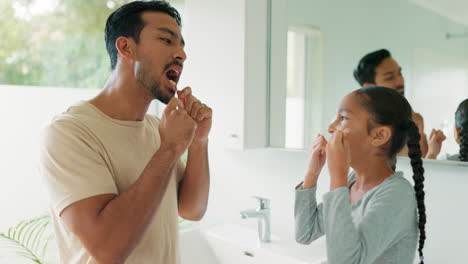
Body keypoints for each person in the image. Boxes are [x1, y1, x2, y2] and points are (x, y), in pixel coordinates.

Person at [39, 1, 212, 263]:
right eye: (167, 40)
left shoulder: (157, 129)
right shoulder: (70, 133)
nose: (181, 54)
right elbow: (108, 249)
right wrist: (169, 149)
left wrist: (198, 140)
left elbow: (191, 209)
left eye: (182, 46)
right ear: (126, 48)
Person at [295, 86, 427, 264]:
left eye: (343, 118)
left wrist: (337, 176)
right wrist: (312, 173)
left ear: (379, 135)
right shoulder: (352, 182)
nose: (331, 127)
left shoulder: (397, 194)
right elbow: (305, 233)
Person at [353, 49, 446, 159]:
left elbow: (422, 167)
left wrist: (431, 151)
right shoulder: (358, 124)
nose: (400, 82)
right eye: (389, 77)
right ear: (369, 87)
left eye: (399, 73)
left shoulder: (414, 118)